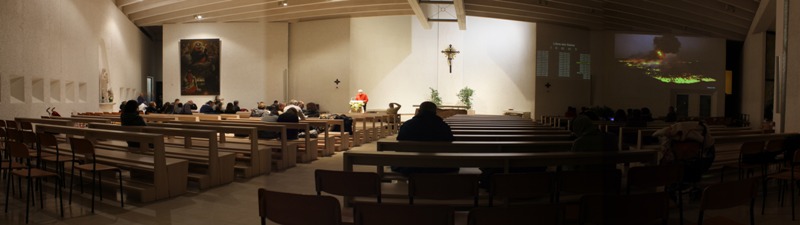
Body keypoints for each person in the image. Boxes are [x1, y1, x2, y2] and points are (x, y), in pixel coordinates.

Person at [391, 101, 457, 175]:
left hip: (410, 166)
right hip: (440, 167)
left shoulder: (407, 125)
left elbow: (400, 144)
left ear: (419, 111)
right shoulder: (444, 127)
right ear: (435, 112)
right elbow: (450, 144)